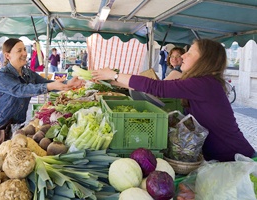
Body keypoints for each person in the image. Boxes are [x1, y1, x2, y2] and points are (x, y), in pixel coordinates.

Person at [92, 39, 255, 162]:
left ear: (204, 59)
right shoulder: (202, 83)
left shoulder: (205, 84)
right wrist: (112, 81)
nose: (183, 55)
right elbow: (158, 86)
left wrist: (114, 75)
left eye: (190, 52)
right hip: (219, 158)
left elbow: (158, 88)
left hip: (238, 159)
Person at [0, 38, 84, 160]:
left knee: (7, 160)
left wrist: (68, 83)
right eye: (19, 51)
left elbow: (47, 83)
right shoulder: (2, 75)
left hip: (14, 127)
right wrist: (50, 86)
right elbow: (20, 90)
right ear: (7, 55)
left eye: (24, 49)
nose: (24, 53)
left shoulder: (28, 73)